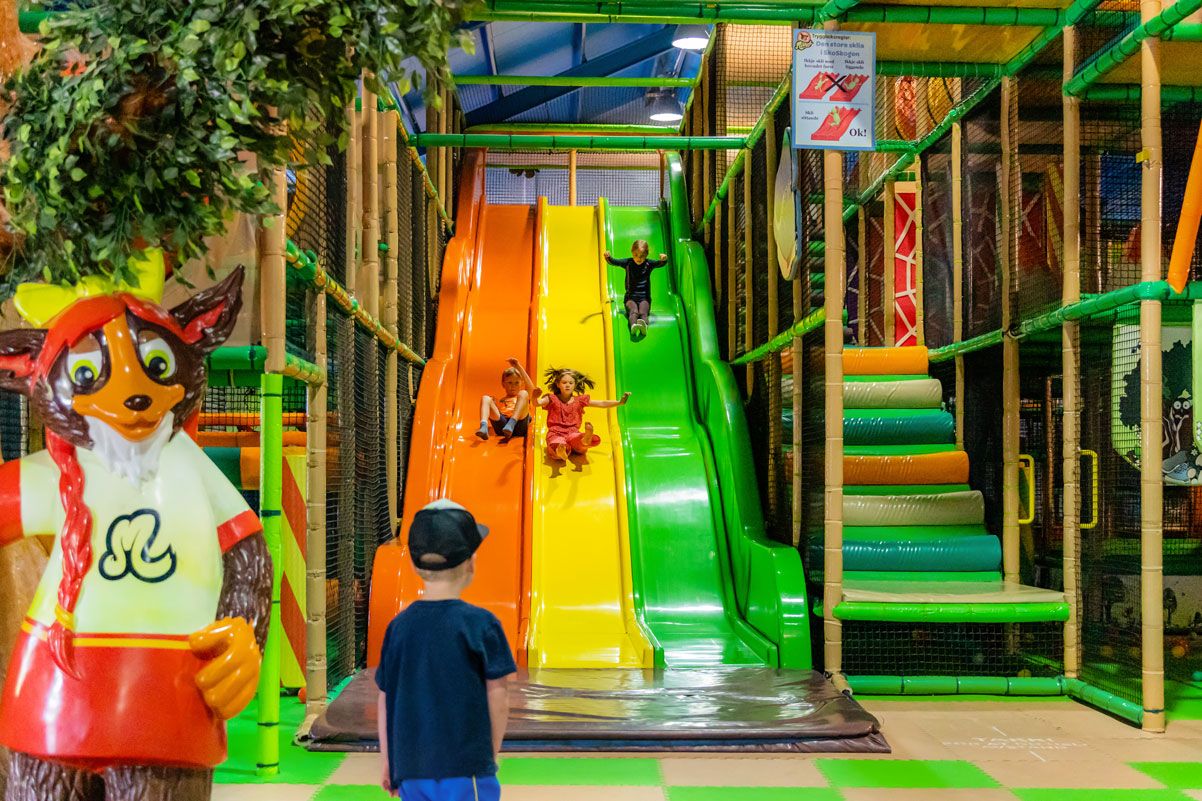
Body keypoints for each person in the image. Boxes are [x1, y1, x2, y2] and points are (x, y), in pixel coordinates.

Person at [376, 499, 516, 801]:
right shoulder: (482, 625)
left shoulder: (397, 628)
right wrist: (488, 755)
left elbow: (386, 699)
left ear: (413, 565)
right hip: (466, 769)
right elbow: (498, 696)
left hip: (411, 770)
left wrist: (390, 761)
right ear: (471, 563)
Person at [538, 366, 630, 461]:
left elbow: (601, 403)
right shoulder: (552, 399)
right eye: (564, 382)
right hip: (555, 433)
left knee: (577, 438)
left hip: (572, 432)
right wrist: (534, 397)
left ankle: (585, 439)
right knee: (556, 442)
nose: (567, 385)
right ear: (558, 384)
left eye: (571, 383)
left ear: (575, 385)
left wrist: (619, 402)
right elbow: (537, 403)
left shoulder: (579, 401)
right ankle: (560, 451)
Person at [604, 239, 668, 337]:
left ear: (646, 255)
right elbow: (615, 262)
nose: (639, 258)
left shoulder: (648, 264)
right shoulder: (628, 263)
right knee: (633, 312)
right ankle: (633, 326)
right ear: (632, 252)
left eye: (642, 256)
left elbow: (660, 263)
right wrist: (608, 257)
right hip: (630, 298)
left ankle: (644, 327)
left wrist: (664, 259)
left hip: (644, 298)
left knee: (643, 312)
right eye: (636, 255)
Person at [476, 357, 537, 441]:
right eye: (510, 383)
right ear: (503, 384)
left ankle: (512, 423)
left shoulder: (523, 398)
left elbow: (532, 390)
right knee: (485, 398)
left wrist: (518, 366)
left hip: (519, 425)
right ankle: (483, 426)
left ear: (521, 383)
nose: (513, 386)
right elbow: (494, 413)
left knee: (523, 393)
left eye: (516, 383)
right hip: (503, 427)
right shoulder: (500, 401)